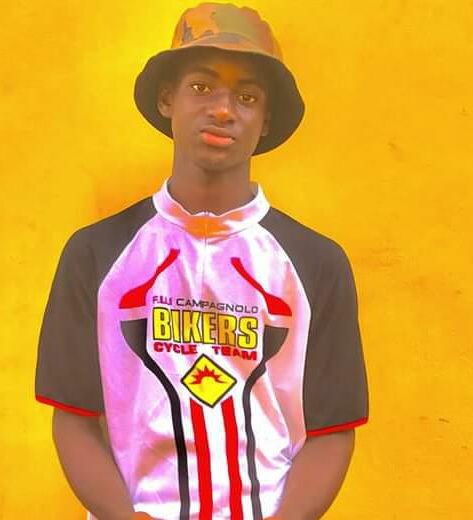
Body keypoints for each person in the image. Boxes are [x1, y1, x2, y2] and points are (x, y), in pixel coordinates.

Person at [34, 3, 369, 520]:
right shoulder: (96, 254)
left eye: (247, 97)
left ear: (266, 119)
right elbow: (73, 418)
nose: (223, 110)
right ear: (167, 98)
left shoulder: (315, 263)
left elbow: (332, 430)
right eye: (201, 87)